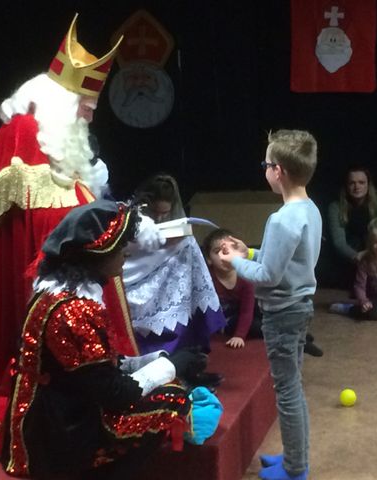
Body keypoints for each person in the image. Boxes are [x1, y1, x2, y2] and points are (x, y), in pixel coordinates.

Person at [0, 15, 130, 433]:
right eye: (86, 108)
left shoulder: (57, 137)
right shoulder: (25, 132)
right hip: (37, 267)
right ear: (64, 102)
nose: (89, 118)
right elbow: (48, 214)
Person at [0, 200, 205, 479]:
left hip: (50, 413)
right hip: (59, 429)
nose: (125, 254)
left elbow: (95, 370)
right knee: (172, 398)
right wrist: (173, 366)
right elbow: (116, 394)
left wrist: (157, 359)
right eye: (119, 248)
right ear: (96, 255)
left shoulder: (57, 295)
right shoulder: (74, 310)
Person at [219, 130, 321, 480]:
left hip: (282, 314)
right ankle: (295, 460)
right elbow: (285, 260)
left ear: (279, 171)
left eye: (265, 165)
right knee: (293, 389)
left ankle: (294, 470)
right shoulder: (309, 209)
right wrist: (247, 251)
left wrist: (234, 261)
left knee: (288, 393)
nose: (264, 170)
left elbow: (267, 275)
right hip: (300, 307)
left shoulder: (281, 219)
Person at [123, 173, 226, 357]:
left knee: (188, 245)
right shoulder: (129, 215)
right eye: (155, 212)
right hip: (131, 269)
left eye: (165, 213)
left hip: (161, 262)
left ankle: (188, 335)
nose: (159, 218)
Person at [323, 165, 377, 288]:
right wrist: (357, 256)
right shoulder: (336, 207)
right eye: (352, 183)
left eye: (361, 182)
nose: (357, 187)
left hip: (376, 252)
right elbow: (338, 242)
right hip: (349, 256)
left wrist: (372, 254)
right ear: (346, 186)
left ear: (368, 184)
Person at [203, 228, 263, 348]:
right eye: (217, 251)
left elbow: (247, 310)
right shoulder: (207, 278)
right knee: (257, 327)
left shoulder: (245, 277)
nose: (225, 255)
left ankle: (291, 330)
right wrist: (239, 335)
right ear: (209, 259)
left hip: (246, 309)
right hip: (227, 319)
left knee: (264, 308)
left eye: (229, 250)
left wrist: (239, 336)